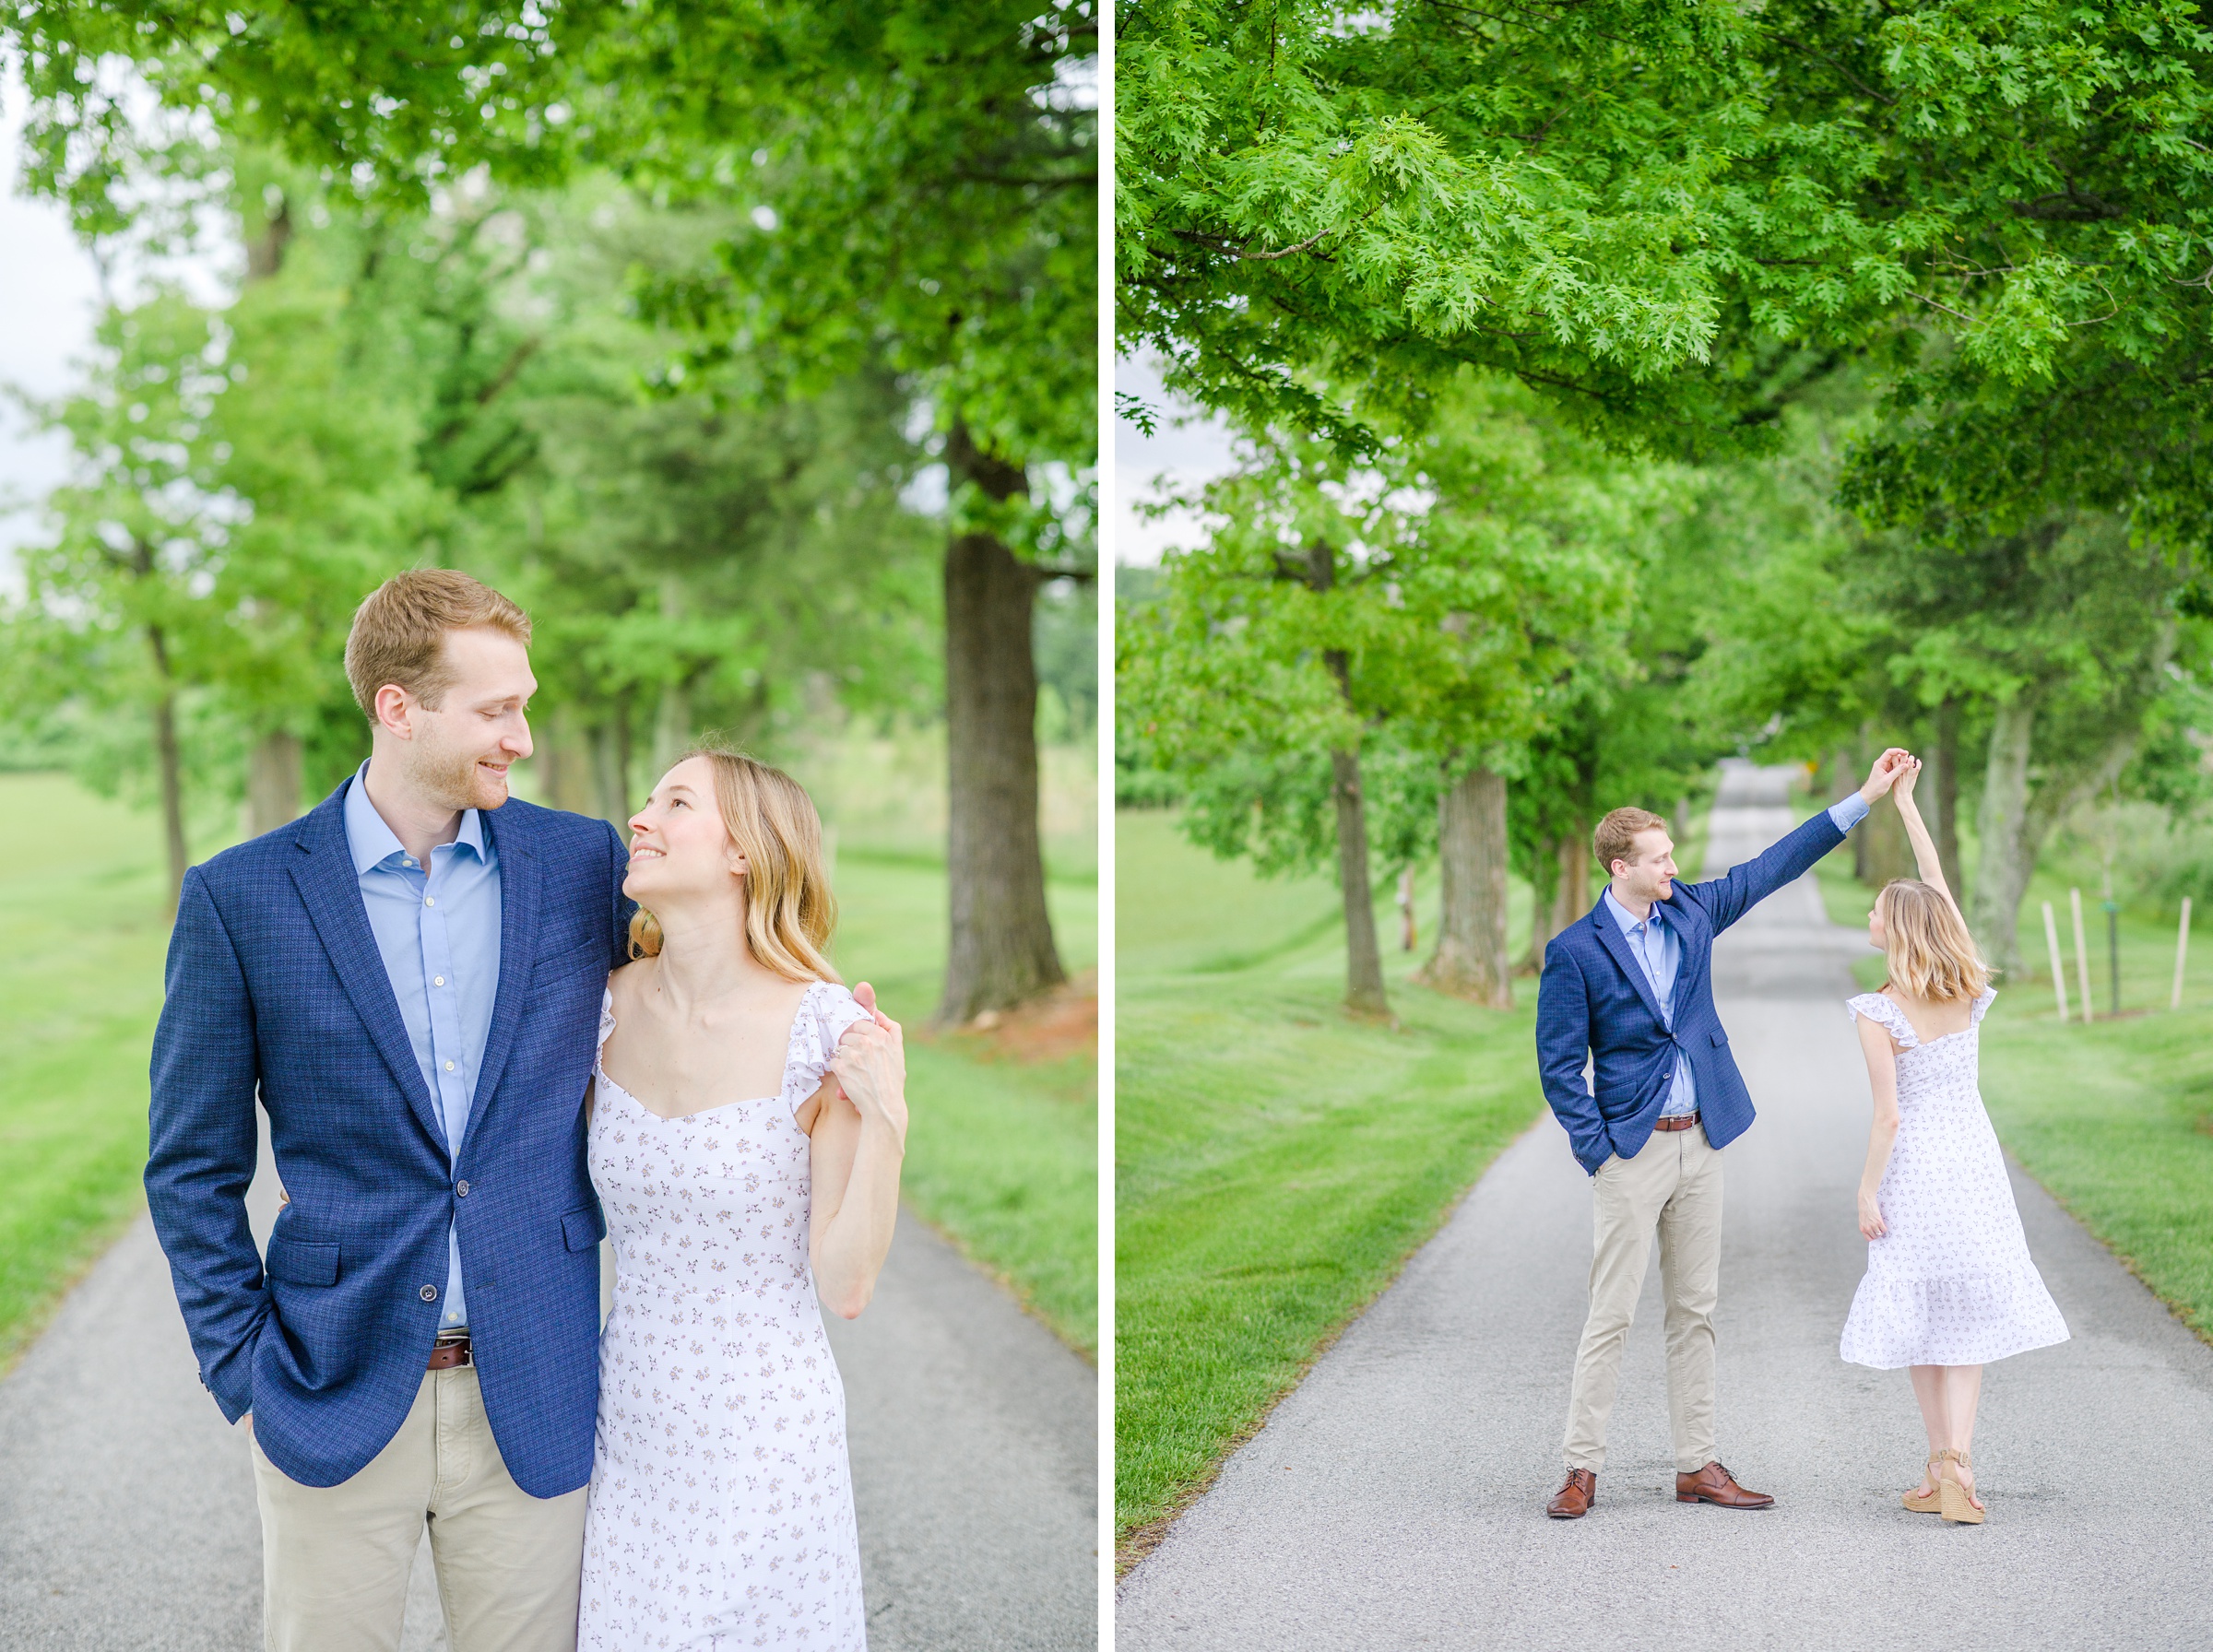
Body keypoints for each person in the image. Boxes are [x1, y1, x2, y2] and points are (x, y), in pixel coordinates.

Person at [146, 570, 633, 1648]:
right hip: (330, 1387)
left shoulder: (580, 863)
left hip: (535, 1395)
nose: (525, 736)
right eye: (497, 709)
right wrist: (247, 1369)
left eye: (527, 703)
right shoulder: (241, 898)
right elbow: (189, 1167)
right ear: (398, 708)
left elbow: (705, 978)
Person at [577, 746, 906, 1650]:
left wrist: (887, 1120)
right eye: (647, 798)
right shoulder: (599, 1008)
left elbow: (846, 1281)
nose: (640, 818)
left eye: (675, 802)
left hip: (767, 1438)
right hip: (628, 1425)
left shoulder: (826, 1028)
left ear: (742, 853)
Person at [1535, 749, 1913, 1520]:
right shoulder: (1575, 952)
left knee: (1696, 1311)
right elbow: (1558, 1067)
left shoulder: (1692, 912)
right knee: (1611, 1314)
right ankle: (1582, 1469)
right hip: (1630, 1153)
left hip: (1701, 1142)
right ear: (1619, 867)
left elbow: (1775, 864)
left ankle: (1695, 1465)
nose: (1673, 864)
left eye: (1672, 853)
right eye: (1659, 856)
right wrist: (1600, 1152)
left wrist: (1865, 798)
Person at [1841, 756, 2068, 1524]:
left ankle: (1943, 1466)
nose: (1870, 918)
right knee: (1962, 1316)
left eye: (1876, 912)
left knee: (1920, 1316)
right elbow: (1936, 889)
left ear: (1894, 931)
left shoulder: (1878, 1010)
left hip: (1914, 1169)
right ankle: (1955, 1471)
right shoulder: (1965, 983)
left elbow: (1887, 1117)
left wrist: (1867, 1189)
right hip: (1972, 1162)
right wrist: (1906, 807)